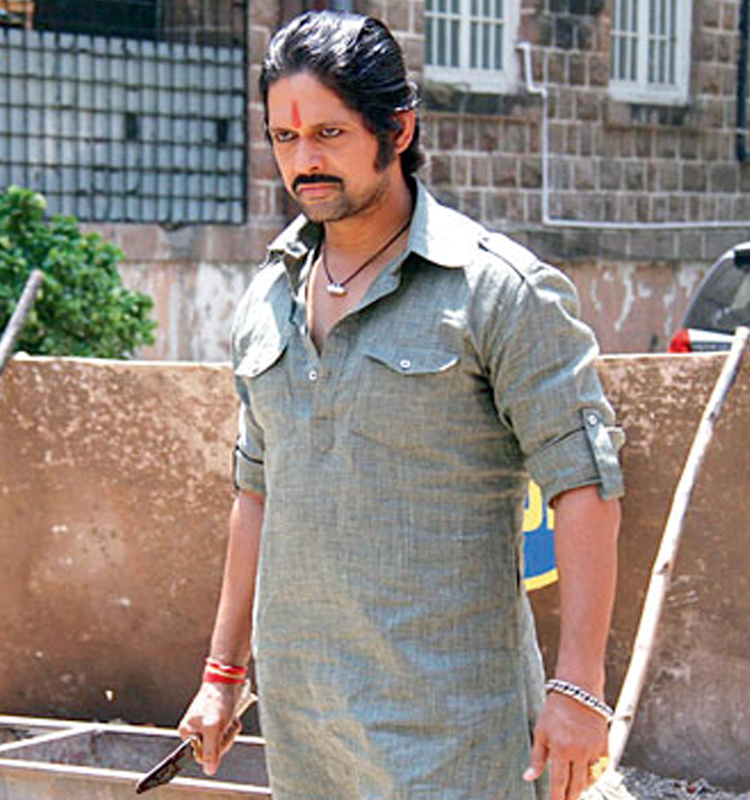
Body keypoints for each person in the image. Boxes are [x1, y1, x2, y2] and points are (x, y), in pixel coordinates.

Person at [178, 10, 623, 800]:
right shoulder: (267, 300)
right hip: (307, 733)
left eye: (329, 134)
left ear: (399, 129)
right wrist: (222, 674)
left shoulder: (496, 292)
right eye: (284, 137)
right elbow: (256, 493)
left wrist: (579, 688)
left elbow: (584, 483)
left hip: (456, 736)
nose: (304, 161)